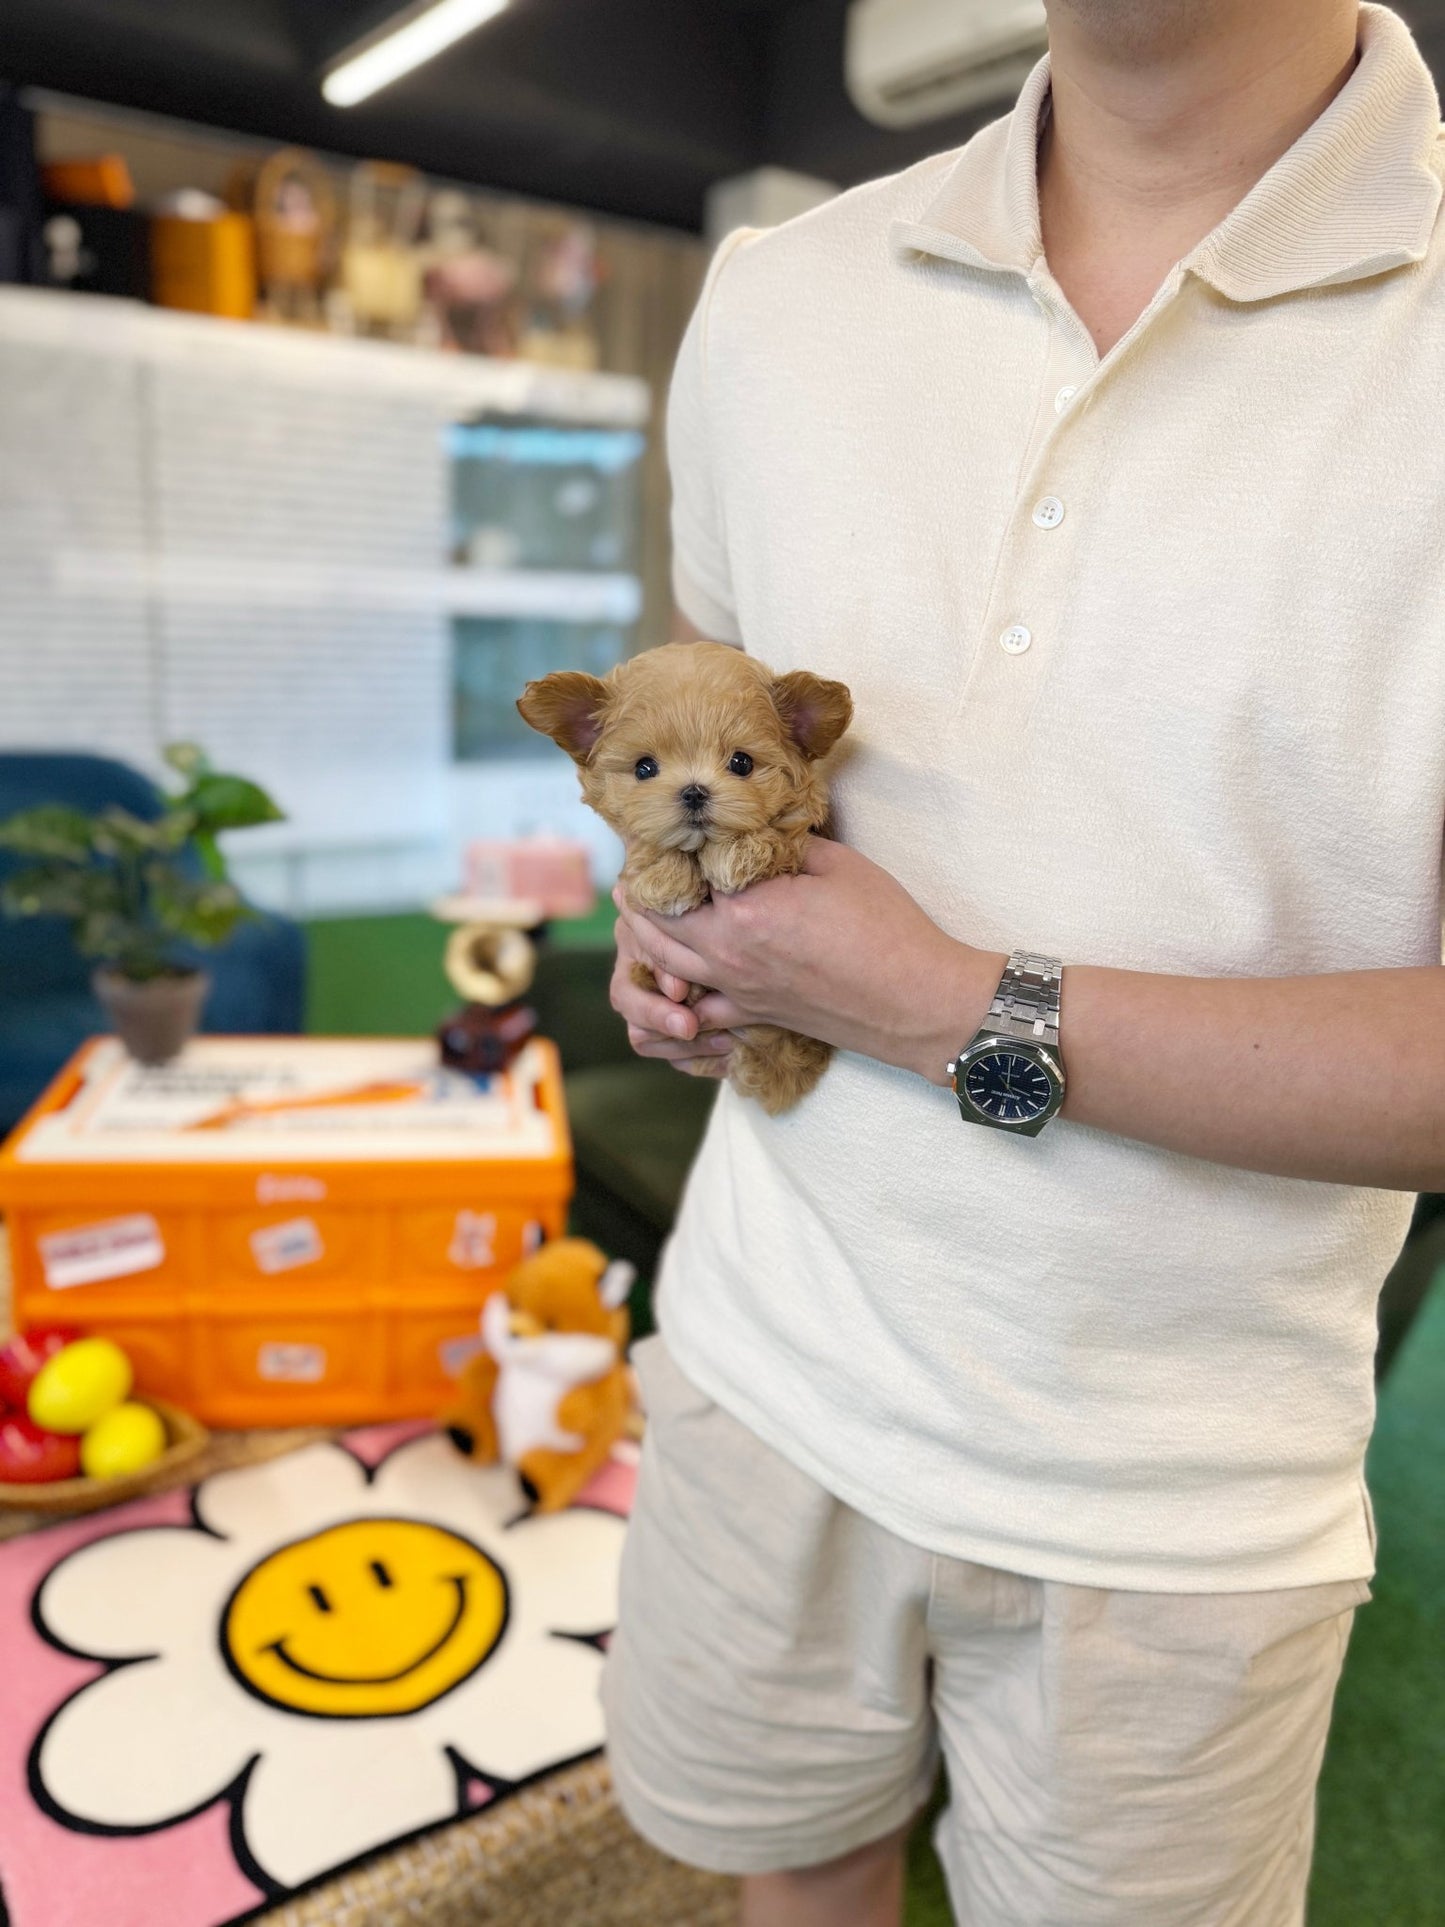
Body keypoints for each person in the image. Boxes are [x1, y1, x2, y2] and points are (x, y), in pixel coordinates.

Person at [599, 3, 1445, 1921]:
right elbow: (695, 739)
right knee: (783, 1881)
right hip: (762, 1355)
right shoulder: (775, 298)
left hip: (1176, 1503)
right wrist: (673, 940)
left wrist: (932, 1000)